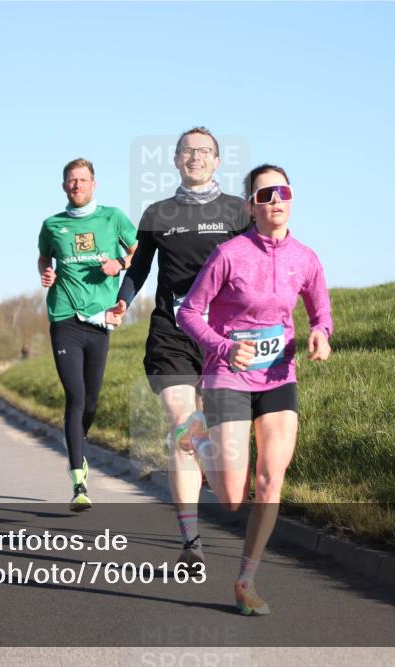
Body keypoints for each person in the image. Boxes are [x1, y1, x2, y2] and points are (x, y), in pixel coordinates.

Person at [177, 164, 332, 616]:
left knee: (271, 479)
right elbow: (190, 312)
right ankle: (195, 437)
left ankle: (246, 579)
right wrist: (223, 347)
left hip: (279, 376)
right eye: (265, 195)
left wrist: (321, 333)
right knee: (230, 496)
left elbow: (321, 313)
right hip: (227, 375)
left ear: (291, 198)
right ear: (251, 206)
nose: (275, 200)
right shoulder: (228, 254)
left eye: (282, 191)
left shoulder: (306, 258)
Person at [109, 127, 249, 572]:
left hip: (226, 337)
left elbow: (259, 263)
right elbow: (139, 270)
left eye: (205, 152)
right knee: (185, 427)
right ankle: (191, 543)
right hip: (172, 333)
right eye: (188, 151)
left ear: (218, 161)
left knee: (219, 436)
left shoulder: (238, 212)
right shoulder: (158, 213)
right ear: (175, 160)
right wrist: (121, 301)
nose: (196, 157)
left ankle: (219, 473)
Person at [38, 157, 137, 511]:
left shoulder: (113, 218)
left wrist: (120, 264)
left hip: (100, 319)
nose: (76, 185)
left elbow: (138, 253)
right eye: (71, 180)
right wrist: (46, 273)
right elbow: (43, 258)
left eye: (82, 179)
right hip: (64, 317)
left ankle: (78, 443)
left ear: (94, 184)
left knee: (92, 401)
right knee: (76, 396)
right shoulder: (53, 225)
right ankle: (78, 479)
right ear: (64, 186)